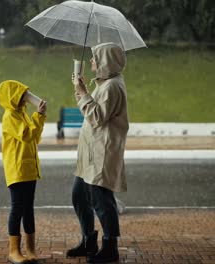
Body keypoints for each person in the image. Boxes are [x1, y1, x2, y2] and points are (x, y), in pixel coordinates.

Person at [66, 42, 129, 263]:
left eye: (95, 57)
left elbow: (96, 117)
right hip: (91, 153)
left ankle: (110, 247)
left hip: (102, 153)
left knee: (102, 200)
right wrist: (82, 91)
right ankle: (88, 240)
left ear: (105, 60)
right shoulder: (104, 84)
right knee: (79, 195)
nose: (91, 61)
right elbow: (92, 110)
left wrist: (83, 92)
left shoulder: (112, 86)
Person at [0, 80, 47, 264]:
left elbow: (35, 138)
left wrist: (39, 118)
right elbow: (26, 135)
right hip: (17, 170)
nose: (25, 98)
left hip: (29, 169)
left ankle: (31, 249)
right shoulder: (10, 116)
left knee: (28, 209)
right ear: (11, 97)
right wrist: (39, 116)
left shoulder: (22, 114)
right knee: (17, 208)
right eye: (21, 95)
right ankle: (14, 251)